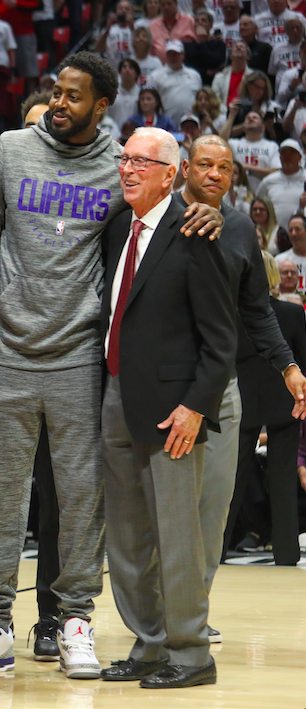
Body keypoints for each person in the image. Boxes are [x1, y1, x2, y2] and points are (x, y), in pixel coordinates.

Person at [0, 50, 223, 678]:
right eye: (56, 91)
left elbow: (170, 206)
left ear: (102, 105)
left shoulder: (121, 164)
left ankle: (73, 619)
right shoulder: (9, 150)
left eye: (74, 96)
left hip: (81, 358)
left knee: (83, 499)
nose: (58, 103)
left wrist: (211, 210)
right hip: (4, 351)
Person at [99, 127, 235, 689]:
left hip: (172, 409)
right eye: (124, 158)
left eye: (141, 161)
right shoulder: (116, 228)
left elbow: (221, 339)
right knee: (127, 538)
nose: (128, 168)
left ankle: (191, 652)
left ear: (170, 173)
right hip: (115, 395)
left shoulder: (194, 232)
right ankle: (149, 644)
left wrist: (195, 407)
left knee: (178, 537)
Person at [172, 134, 306, 643]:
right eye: (204, 164)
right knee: (161, 507)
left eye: (224, 168)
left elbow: (256, 309)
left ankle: (193, 613)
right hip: (162, 381)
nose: (214, 174)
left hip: (221, 385)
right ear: (185, 168)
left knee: (213, 506)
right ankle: (159, 615)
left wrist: (288, 366)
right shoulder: (156, 219)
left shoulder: (238, 229)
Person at [225, 250, 306, 566]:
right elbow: (301, 361)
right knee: (282, 479)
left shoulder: (234, 313)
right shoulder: (292, 313)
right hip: (284, 404)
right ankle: (285, 554)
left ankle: (217, 549)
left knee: (234, 478)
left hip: (243, 402)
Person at [147, 39, 202, 128]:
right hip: (165, 126)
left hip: (190, 125)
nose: (173, 57)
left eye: (176, 54)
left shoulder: (194, 76)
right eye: (170, 54)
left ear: (183, 55)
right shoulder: (155, 76)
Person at [226, 111, 281, 192]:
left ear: (263, 127)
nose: (251, 119)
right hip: (237, 194)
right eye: (248, 118)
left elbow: (275, 172)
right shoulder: (233, 144)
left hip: (263, 194)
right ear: (244, 127)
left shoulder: (272, 146)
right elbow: (220, 140)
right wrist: (231, 117)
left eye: (255, 118)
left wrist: (247, 167)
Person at [257, 139, 306, 225]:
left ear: (300, 157)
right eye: (284, 153)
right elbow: (257, 202)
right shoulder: (268, 181)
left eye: (291, 153)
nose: (287, 157)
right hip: (274, 233)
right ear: (279, 157)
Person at [212, 38, 250, 108]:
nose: (238, 47)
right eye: (235, 47)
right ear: (230, 56)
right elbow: (215, 100)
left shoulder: (253, 76)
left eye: (242, 47)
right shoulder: (219, 77)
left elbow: (255, 100)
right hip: (223, 114)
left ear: (248, 56)